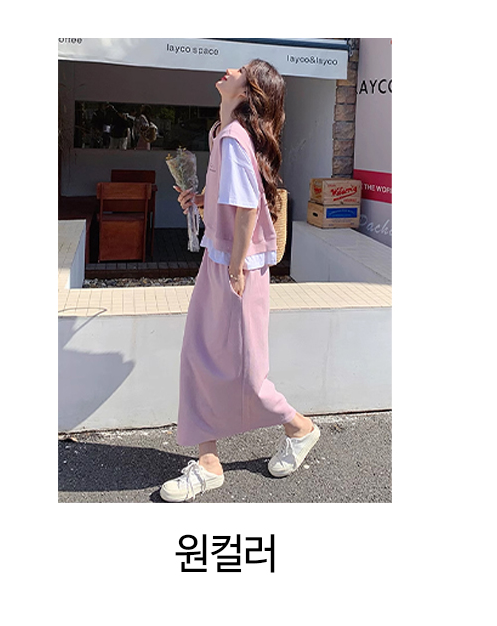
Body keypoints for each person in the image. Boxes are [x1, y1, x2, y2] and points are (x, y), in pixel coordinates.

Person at [163, 59, 319, 503]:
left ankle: (300, 428)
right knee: (198, 356)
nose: (228, 69)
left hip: (237, 268)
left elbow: (249, 207)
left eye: (240, 70)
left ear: (248, 91)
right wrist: (201, 199)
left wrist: (234, 269)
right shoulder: (222, 132)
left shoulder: (233, 137)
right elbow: (233, 199)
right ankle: (208, 461)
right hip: (222, 261)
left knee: (246, 371)